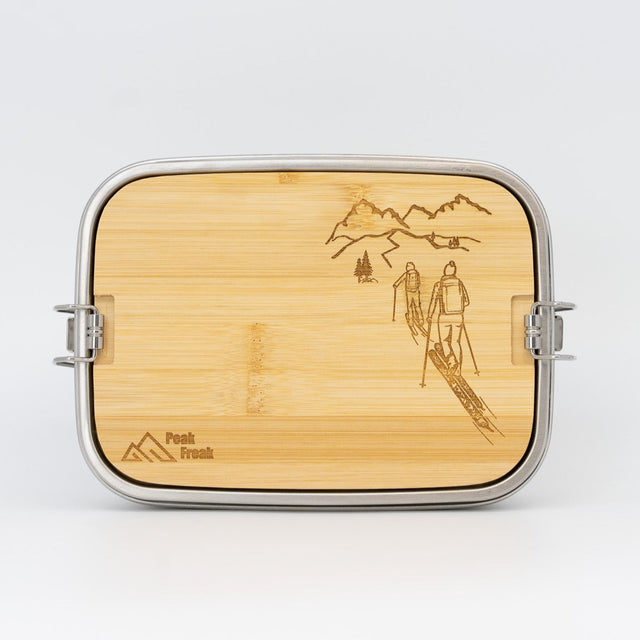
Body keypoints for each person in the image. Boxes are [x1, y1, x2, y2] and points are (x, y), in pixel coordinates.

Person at [427, 261, 469, 375]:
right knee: (456, 342)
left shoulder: (439, 284)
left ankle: (451, 362)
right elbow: (466, 302)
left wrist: (429, 316)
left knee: (445, 341)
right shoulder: (459, 283)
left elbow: (433, 302)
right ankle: (458, 370)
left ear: (445, 271)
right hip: (458, 316)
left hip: (444, 317)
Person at [393, 261, 425, 331]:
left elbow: (401, 279)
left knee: (410, 307)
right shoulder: (417, 273)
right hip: (416, 291)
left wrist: (395, 284)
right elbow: (419, 283)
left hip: (409, 291)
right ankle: (421, 319)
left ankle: (411, 321)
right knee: (417, 306)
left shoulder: (406, 274)